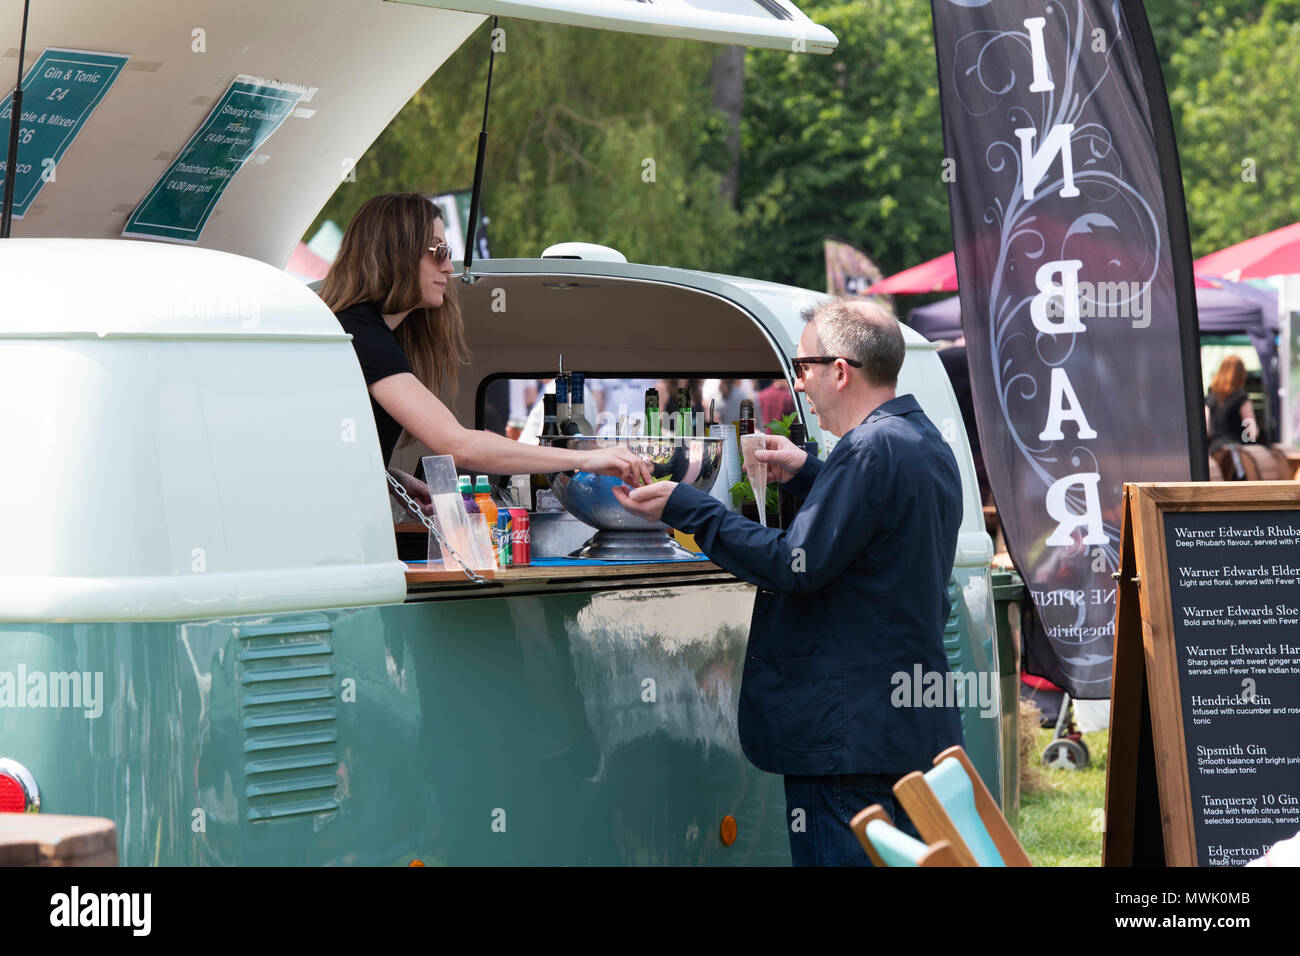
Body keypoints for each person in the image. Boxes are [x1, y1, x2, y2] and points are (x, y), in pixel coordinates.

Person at [614, 297, 965, 866]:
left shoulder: (868, 449)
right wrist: (811, 473)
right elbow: (876, 530)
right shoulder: (919, 439)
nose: (799, 384)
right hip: (902, 727)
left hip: (849, 737)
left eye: (803, 368)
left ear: (841, 370)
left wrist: (692, 508)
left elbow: (795, 566)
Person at [319, 193, 650, 513]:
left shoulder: (362, 329)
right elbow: (458, 444)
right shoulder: (360, 333)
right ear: (395, 253)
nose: (448, 266)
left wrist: (389, 477)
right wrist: (584, 458)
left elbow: (327, 450)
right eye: (438, 251)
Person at [1205, 354, 1258, 452]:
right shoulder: (1241, 397)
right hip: (1235, 453)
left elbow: (1207, 430)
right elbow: (1252, 431)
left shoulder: (1211, 398)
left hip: (1215, 452)